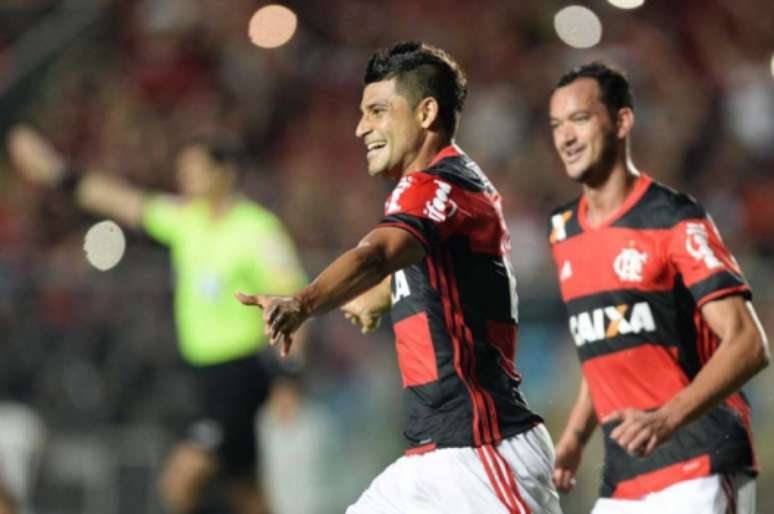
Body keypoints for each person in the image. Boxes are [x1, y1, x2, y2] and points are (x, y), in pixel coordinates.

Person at [236, 41, 562, 514]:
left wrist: (304, 302)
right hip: (432, 456)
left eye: (377, 111)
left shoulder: (438, 185)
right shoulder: (443, 190)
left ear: (426, 112)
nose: (361, 127)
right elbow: (444, 271)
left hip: (481, 451)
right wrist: (384, 294)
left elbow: (377, 253)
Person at [7, 127, 307, 514]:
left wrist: (289, 375)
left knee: (179, 481)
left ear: (225, 172)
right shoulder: (185, 219)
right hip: (201, 374)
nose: (184, 177)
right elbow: (123, 202)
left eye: (195, 168)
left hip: (238, 373)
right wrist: (58, 172)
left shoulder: (257, 229)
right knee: (245, 490)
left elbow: (295, 301)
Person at [546, 61, 769, 513]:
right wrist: (573, 438)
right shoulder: (563, 232)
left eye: (581, 119)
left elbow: (749, 345)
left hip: (700, 461)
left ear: (622, 121)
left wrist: (666, 418)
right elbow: (605, 346)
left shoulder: (672, 218)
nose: (566, 137)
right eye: (557, 125)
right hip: (627, 475)